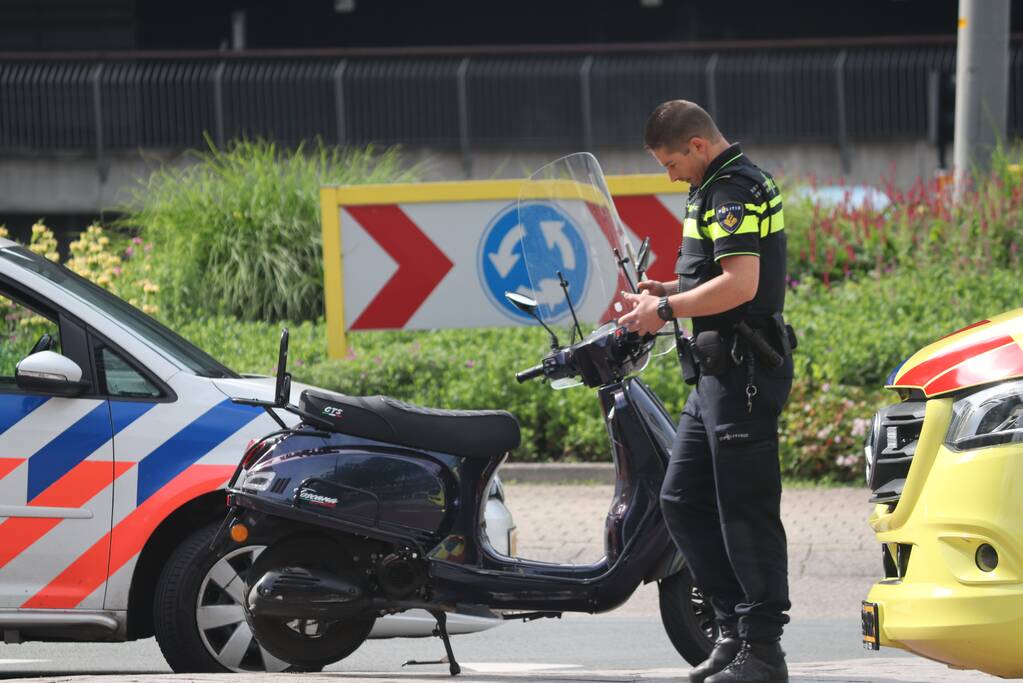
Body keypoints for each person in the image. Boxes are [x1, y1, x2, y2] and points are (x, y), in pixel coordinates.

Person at [618, 100, 793, 683]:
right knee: (682, 500)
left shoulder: (731, 189)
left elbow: (742, 284)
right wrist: (670, 286)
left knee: (745, 511)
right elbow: (719, 272)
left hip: (741, 372)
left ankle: (763, 650)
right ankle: (730, 630)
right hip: (715, 372)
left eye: (669, 162)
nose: (668, 175)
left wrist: (663, 308)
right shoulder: (715, 185)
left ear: (696, 145)